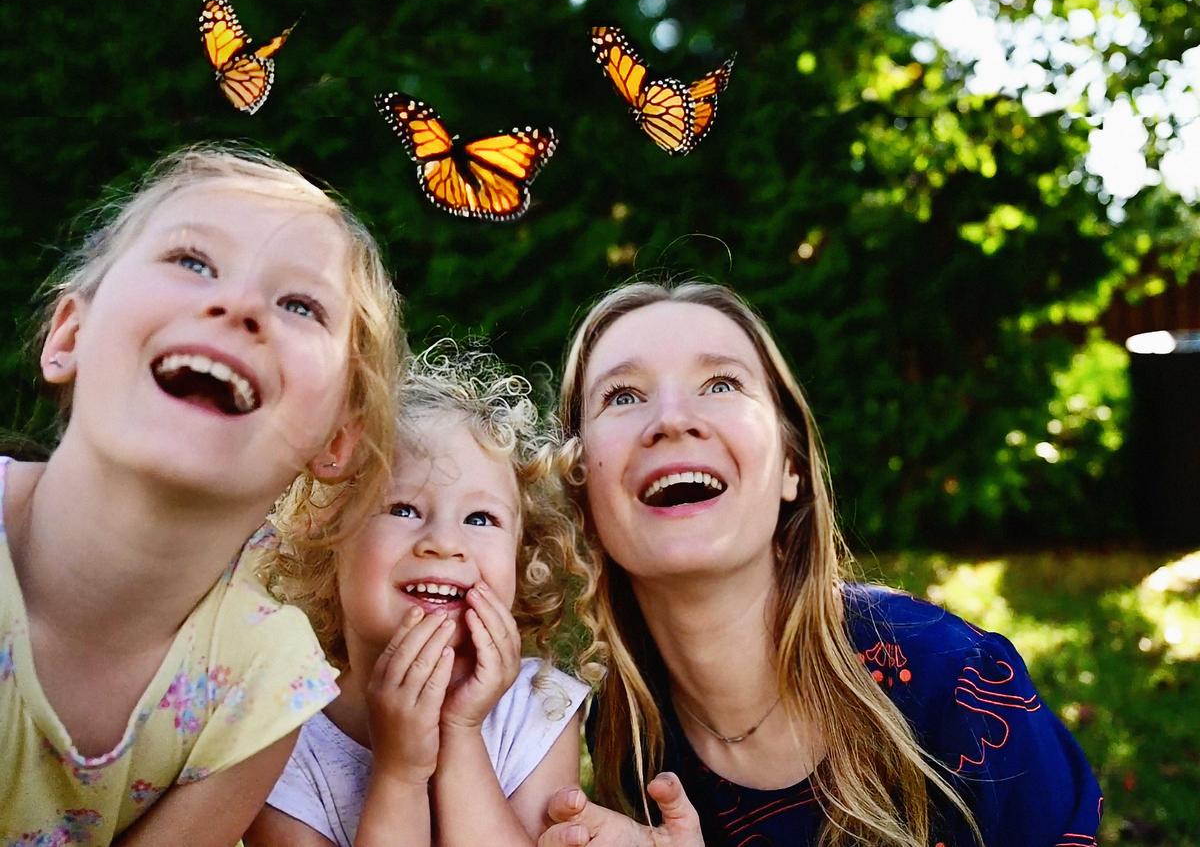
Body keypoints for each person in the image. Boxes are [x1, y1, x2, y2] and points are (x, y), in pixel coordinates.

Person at [539, 281, 1103, 847]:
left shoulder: (955, 683)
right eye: (623, 396)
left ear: (792, 467)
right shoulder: (626, 730)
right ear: (580, 490)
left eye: (721, 384)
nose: (673, 418)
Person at [0, 144, 403, 845]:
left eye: (300, 304)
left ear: (338, 438)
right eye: (192, 262)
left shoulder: (262, 684)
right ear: (70, 333)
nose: (240, 304)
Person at [247, 346, 601, 847]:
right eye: (404, 509)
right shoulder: (281, 743)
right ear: (327, 541)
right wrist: (400, 774)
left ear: (523, 560)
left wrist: (461, 732)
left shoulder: (539, 707)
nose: (444, 543)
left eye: (481, 519)